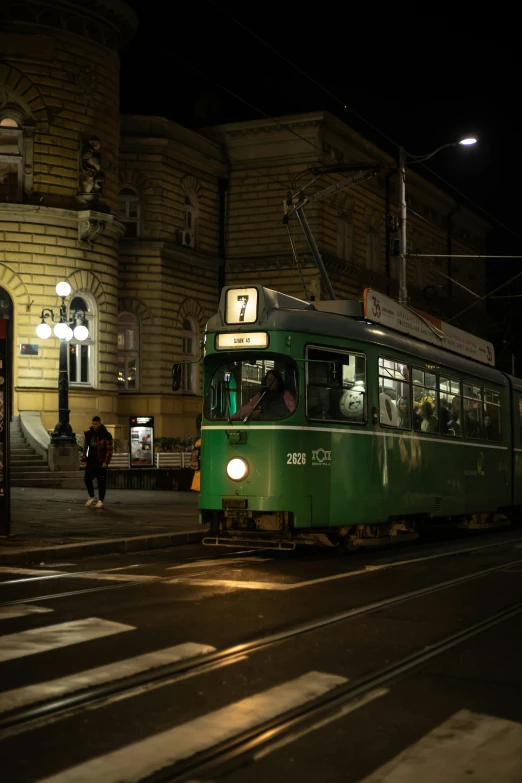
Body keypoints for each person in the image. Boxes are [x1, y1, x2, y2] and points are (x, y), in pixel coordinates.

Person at [230, 369, 295, 421]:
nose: (269, 381)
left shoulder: (285, 394)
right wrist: (233, 417)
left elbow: (293, 411)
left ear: (278, 381)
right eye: (267, 379)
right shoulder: (262, 394)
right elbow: (249, 406)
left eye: (272, 379)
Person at [82, 416, 113, 508]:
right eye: (93, 424)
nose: (94, 426)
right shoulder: (89, 434)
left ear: (100, 423)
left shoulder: (106, 435)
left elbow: (109, 450)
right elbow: (86, 448)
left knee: (101, 481)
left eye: (96, 424)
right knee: (87, 478)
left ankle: (100, 500)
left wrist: (106, 462)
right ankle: (91, 496)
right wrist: (84, 459)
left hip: (100, 461)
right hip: (91, 461)